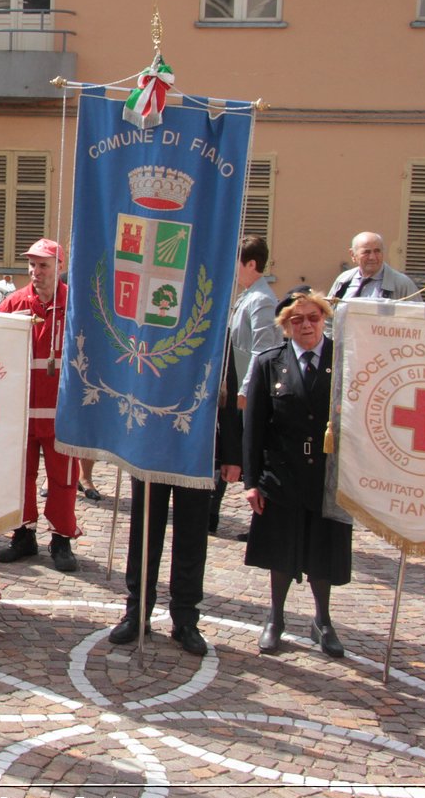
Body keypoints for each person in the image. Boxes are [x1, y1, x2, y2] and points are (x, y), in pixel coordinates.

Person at [109, 347, 240, 658]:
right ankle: (136, 611)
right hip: (149, 442)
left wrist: (233, 454)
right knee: (144, 532)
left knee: (192, 537)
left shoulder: (216, 321)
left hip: (196, 446)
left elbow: (228, 392)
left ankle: (185, 619)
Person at [243, 288, 351, 657]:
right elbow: (255, 427)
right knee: (280, 552)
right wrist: (251, 482)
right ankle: (276, 617)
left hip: (327, 476)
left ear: (324, 318)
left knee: (323, 552)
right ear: (285, 326)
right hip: (282, 474)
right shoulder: (269, 362)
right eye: (297, 319)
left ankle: (323, 620)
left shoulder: (344, 360)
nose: (306, 325)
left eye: (313, 317)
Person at [0, 238, 82, 573]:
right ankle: (23, 534)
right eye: (32, 265)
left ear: (59, 267)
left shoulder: (75, 306)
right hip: (22, 412)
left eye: (43, 265)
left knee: (63, 478)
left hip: (61, 413)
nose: (35, 272)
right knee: (21, 476)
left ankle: (61, 538)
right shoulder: (15, 304)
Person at [213, 235, 281, 535]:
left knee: (246, 456)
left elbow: (263, 350)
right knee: (231, 452)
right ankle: (210, 515)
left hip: (246, 392)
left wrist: (245, 390)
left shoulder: (263, 300)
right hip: (235, 386)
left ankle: (261, 525)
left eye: (236, 263)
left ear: (251, 264)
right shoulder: (248, 295)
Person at [328, 231, 421, 302]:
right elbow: (328, 317)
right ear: (353, 255)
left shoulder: (402, 285)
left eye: (377, 251)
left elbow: (418, 320)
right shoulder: (343, 280)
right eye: (366, 252)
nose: (372, 257)